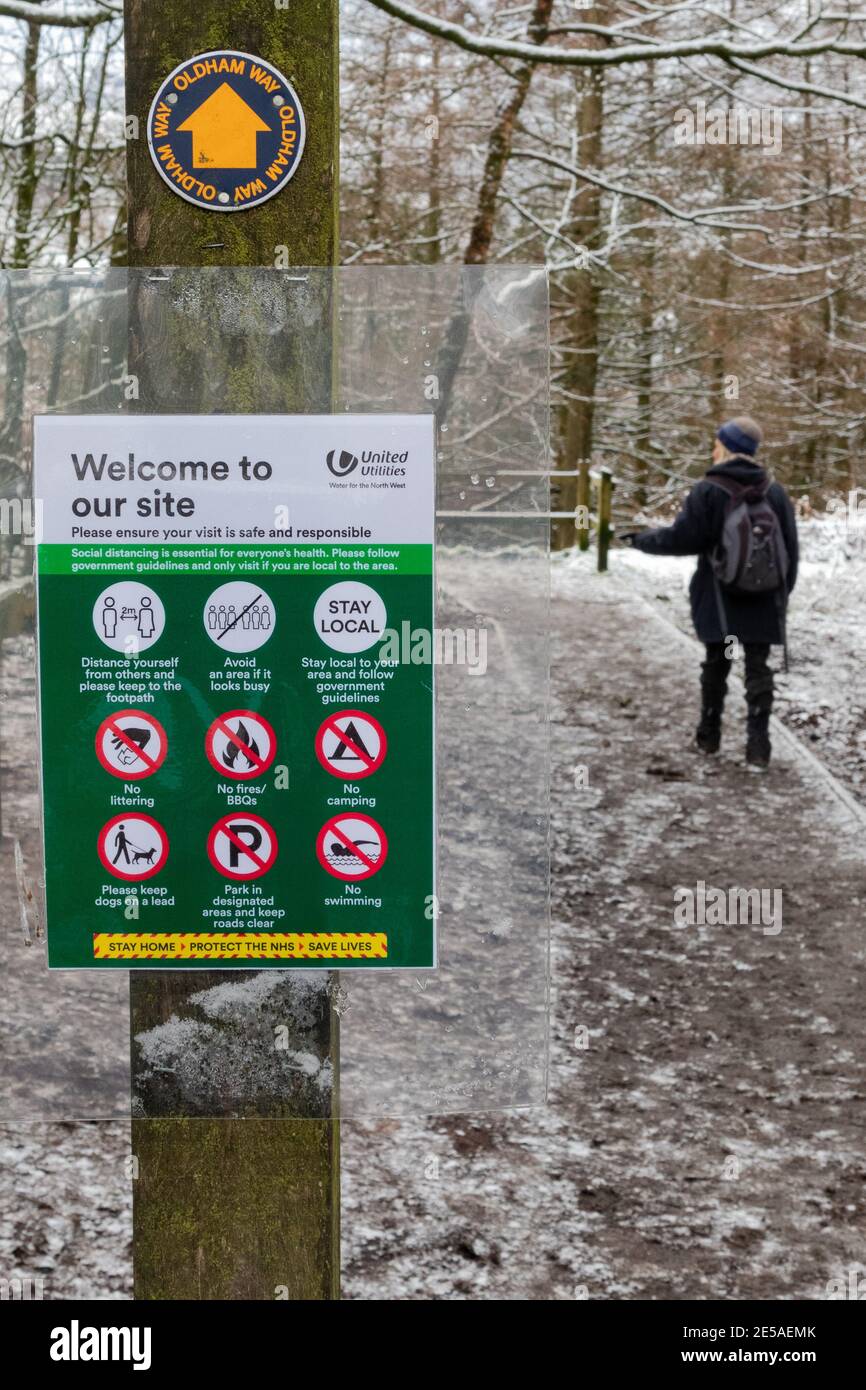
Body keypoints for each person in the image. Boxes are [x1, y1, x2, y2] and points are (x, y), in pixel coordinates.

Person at [622, 416, 798, 770]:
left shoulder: (710, 490)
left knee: (717, 662)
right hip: (764, 598)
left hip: (721, 596)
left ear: (726, 446)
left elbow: (683, 539)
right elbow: (790, 552)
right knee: (758, 667)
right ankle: (758, 748)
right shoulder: (774, 491)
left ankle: (709, 736)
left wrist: (640, 540)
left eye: (718, 441)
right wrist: (780, 595)